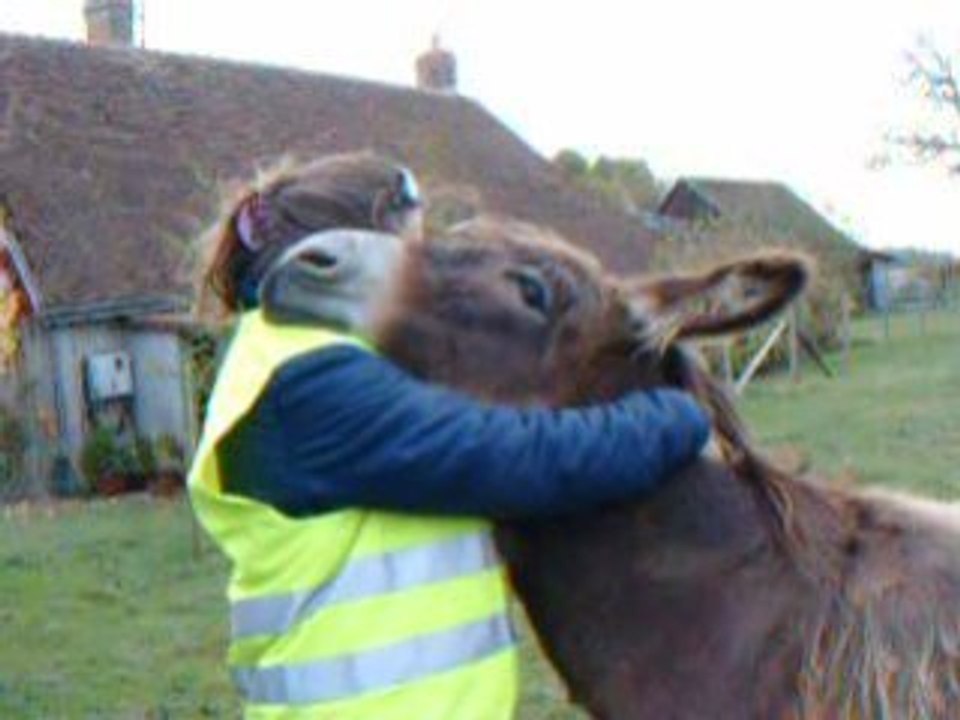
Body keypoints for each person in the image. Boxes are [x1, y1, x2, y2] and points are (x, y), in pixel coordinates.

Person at [188, 151, 710, 719]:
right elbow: (517, 459)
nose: (424, 276)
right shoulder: (306, 380)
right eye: (410, 253)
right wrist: (676, 416)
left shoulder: (322, 354)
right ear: (346, 252)